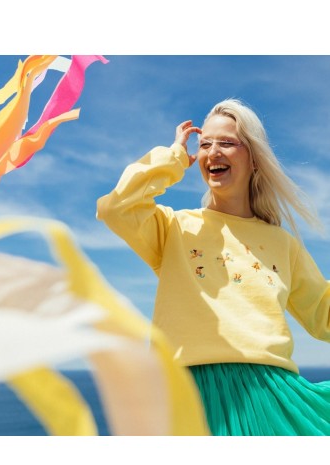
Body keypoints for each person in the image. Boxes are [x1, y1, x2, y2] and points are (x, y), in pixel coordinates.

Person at [96, 98, 330, 436]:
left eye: (227, 142)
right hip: (185, 395)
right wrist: (173, 158)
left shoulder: (284, 244)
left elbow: (323, 314)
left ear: (254, 159)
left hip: (268, 397)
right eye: (205, 143)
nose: (212, 151)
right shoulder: (174, 227)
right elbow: (116, 207)